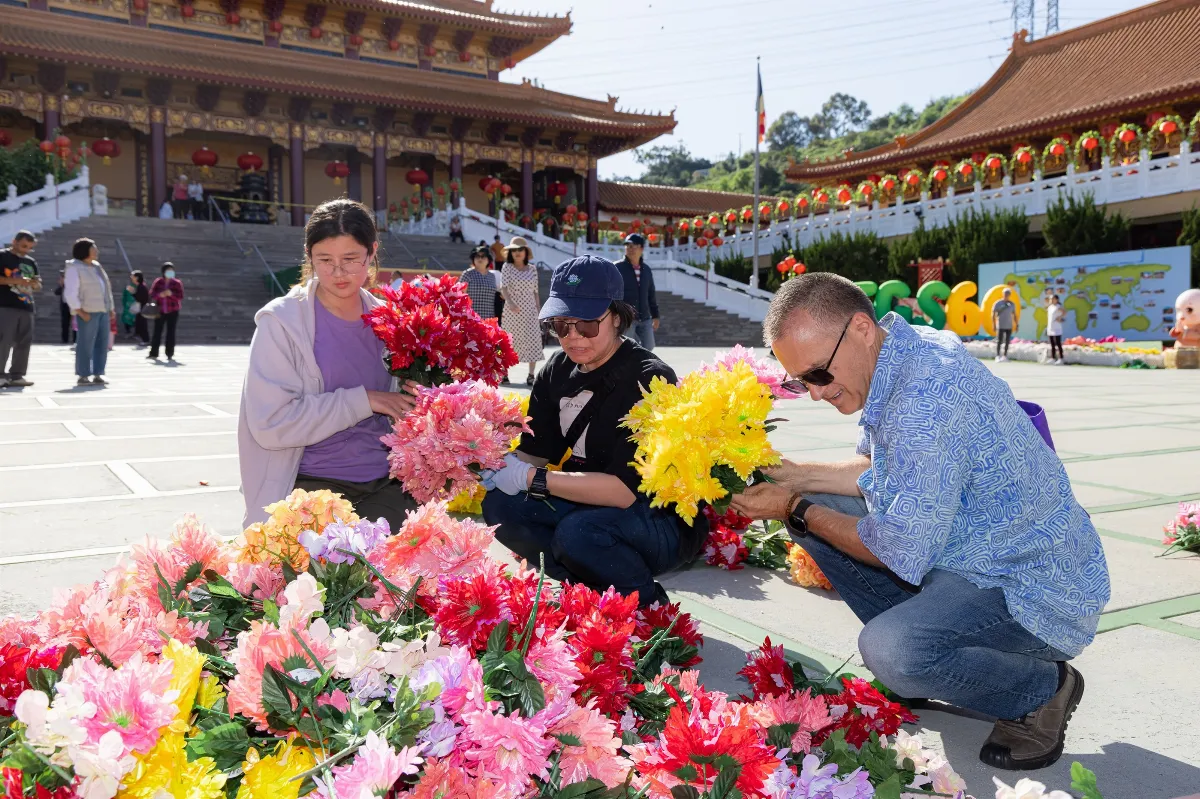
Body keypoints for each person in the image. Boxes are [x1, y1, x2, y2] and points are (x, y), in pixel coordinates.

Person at [730, 273, 1109, 771]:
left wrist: (791, 506)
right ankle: (939, 655)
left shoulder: (923, 400)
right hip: (971, 552)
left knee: (892, 651)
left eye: (819, 375)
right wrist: (795, 475)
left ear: (862, 329)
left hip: (1032, 589)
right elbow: (882, 472)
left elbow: (894, 548)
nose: (816, 394)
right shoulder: (900, 349)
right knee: (814, 508)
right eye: (801, 382)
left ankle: (1041, 690)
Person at [481, 255, 706, 607]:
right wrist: (492, 462)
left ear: (617, 317)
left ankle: (649, 607)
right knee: (500, 506)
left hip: (657, 518)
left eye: (585, 324)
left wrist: (528, 477)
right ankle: (589, 588)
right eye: (560, 325)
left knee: (579, 533)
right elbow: (538, 450)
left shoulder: (650, 378)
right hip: (588, 502)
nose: (572, 337)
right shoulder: (556, 368)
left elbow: (623, 492)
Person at [238, 198, 421, 529]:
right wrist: (366, 400)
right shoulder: (282, 323)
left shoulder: (391, 319)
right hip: (308, 487)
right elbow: (271, 424)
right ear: (309, 257)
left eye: (351, 260)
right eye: (325, 260)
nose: (338, 273)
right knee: (344, 565)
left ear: (372, 252)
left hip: (388, 481)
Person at [63, 238, 115, 386]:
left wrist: (110, 308)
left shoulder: (97, 266)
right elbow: (71, 291)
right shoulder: (74, 267)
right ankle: (83, 374)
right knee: (85, 344)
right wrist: (79, 311)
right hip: (87, 311)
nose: (96, 251)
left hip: (103, 310)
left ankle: (99, 373)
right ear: (84, 251)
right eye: (94, 249)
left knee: (102, 343)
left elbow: (106, 288)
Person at [0, 231, 41, 388]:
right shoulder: (2, 256)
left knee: (24, 342)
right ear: (14, 241)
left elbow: (38, 282)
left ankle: (17, 375)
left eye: (30, 247)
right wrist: (16, 280)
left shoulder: (30, 261)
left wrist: (35, 284)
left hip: (26, 305)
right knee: (3, 341)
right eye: (24, 246)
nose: (26, 250)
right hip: (5, 305)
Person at [500, 237, 543, 386]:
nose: (517, 253)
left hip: (530, 310)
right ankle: (504, 374)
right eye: (514, 250)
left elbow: (536, 292)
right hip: (512, 311)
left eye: (520, 250)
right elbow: (503, 287)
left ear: (526, 252)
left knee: (533, 340)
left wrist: (539, 311)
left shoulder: (532, 269)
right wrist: (510, 302)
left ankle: (531, 374)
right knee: (509, 342)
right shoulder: (507, 267)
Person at [614, 233, 660, 351]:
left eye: (633, 245)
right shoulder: (617, 267)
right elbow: (611, 293)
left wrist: (655, 315)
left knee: (649, 346)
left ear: (642, 248)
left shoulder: (646, 270)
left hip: (644, 317)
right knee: (626, 348)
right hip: (626, 317)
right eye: (627, 245)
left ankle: (640, 368)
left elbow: (651, 294)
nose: (630, 248)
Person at [148, 262, 185, 361]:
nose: (170, 272)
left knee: (171, 332)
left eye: (172, 270)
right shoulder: (158, 281)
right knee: (157, 331)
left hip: (173, 310)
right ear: (163, 271)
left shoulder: (177, 283)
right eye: (168, 270)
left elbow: (180, 296)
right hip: (160, 310)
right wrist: (160, 295)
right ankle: (153, 353)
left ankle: (169, 353)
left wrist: (171, 294)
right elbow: (152, 293)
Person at [461, 245, 497, 319]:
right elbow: (460, 295)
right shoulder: (467, 274)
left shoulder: (492, 276)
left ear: (488, 260)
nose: (480, 258)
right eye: (477, 256)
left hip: (489, 317)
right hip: (471, 317)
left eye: (483, 256)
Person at [123, 270, 150, 346]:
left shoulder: (141, 287)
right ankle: (142, 338)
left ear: (137, 277)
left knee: (143, 325)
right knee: (140, 324)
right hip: (141, 309)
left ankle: (145, 339)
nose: (131, 277)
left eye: (133, 276)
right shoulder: (140, 286)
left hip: (142, 309)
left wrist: (133, 292)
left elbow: (140, 298)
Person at [993, 288, 1018, 362]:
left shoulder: (1012, 304)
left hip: (1009, 325)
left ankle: (1005, 356)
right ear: (1003, 294)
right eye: (1005, 293)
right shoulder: (998, 303)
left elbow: (1014, 315)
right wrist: (994, 324)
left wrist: (1016, 325)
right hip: (1000, 325)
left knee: (1007, 341)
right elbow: (993, 314)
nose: (1006, 295)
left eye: (1008, 293)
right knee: (999, 340)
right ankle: (997, 356)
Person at [54, 270, 74, 345]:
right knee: (65, 324)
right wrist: (61, 285)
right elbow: (56, 292)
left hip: (73, 306)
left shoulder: (73, 284)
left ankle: (75, 340)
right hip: (64, 306)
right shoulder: (63, 286)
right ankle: (64, 340)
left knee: (75, 324)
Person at [1046, 293, 1065, 365]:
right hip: (1050, 327)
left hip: (1057, 328)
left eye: (1052, 299)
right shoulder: (1050, 307)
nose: (1051, 300)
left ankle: (1061, 358)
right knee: (1052, 344)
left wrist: (1059, 318)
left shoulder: (1058, 306)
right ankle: (1052, 358)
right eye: (1050, 299)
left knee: (1058, 343)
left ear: (1056, 300)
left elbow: (1064, 312)